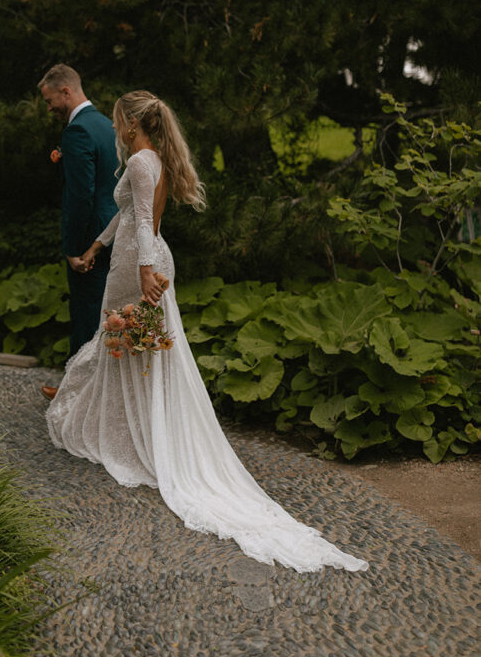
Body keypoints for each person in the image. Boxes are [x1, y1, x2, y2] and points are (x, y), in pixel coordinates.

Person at [45, 90, 368, 573]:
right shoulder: (151, 157)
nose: (115, 130)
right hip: (140, 259)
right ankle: (138, 433)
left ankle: (138, 440)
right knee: (135, 351)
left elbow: (146, 227)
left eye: (118, 124)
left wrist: (145, 274)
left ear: (132, 125)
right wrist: (97, 245)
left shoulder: (138, 162)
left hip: (139, 265)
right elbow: (129, 217)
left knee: (129, 345)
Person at [38, 64, 118, 399]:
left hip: (90, 235)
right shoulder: (105, 125)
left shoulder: (79, 131)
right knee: (105, 312)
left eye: (49, 99)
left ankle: (79, 393)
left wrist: (73, 248)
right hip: (112, 228)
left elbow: (81, 195)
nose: (49, 107)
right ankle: (99, 388)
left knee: (87, 312)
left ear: (66, 91)